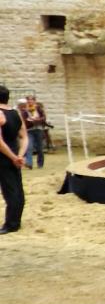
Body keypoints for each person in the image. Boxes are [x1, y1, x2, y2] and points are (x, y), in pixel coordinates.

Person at [0, 85, 28, 235]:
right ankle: (15, 221)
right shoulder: (16, 113)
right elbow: (24, 137)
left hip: (4, 158)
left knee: (9, 190)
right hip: (15, 156)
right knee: (17, 189)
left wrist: (12, 157)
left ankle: (11, 224)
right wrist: (20, 155)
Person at [21, 93, 48, 169]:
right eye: (28, 101)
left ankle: (40, 164)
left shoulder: (38, 108)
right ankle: (29, 163)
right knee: (29, 147)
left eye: (31, 100)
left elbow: (44, 118)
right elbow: (24, 120)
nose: (30, 102)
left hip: (38, 129)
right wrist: (30, 121)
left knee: (39, 148)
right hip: (29, 130)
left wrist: (37, 120)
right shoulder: (24, 111)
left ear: (34, 101)